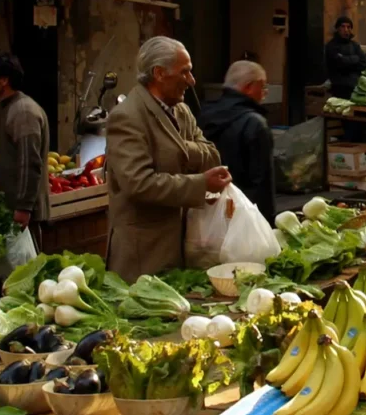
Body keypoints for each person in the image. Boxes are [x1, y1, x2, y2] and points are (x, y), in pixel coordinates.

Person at [106, 37, 231, 280]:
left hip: (181, 247)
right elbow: (138, 184)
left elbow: (212, 155)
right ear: (159, 73)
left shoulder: (181, 110)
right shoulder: (128, 117)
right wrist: (200, 183)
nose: (191, 81)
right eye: (184, 73)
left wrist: (179, 147)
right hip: (143, 256)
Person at [200, 60, 275, 222]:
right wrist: (267, 225)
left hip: (207, 208)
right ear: (249, 87)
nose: (265, 93)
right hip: (244, 214)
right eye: (262, 87)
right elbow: (262, 184)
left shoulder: (203, 115)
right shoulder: (255, 124)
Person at [0, 52, 49, 231]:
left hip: (24, 216)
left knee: (28, 258)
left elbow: (30, 163)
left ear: (4, 80)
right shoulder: (10, 109)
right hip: (12, 211)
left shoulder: (23, 112)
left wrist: (23, 207)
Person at [324, 16, 366, 100]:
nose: (346, 29)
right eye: (343, 26)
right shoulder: (331, 46)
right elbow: (338, 64)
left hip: (356, 87)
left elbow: (364, 63)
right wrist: (355, 59)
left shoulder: (355, 45)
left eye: (348, 27)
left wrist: (346, 59)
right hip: (339, 88)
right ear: (337, 29)